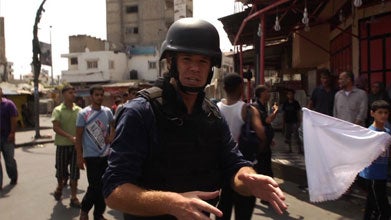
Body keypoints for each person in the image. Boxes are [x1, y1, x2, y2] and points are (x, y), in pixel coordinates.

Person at [102, 18, 287, 220]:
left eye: (202, 61)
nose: (195, 68)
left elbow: (234, 164)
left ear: (211, 68)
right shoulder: (140, 112)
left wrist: (247, 178)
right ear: (171, 62)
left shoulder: (212, 114)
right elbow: (114, 191)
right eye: (187, 59)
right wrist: (173, 203)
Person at [216, 73, 266, 220]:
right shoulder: (248, 109)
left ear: (224, 88)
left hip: (222, 167)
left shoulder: (215, 108)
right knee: (244, 211)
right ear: (240, 88)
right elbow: (262, 135)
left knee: (222, 208)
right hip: (245, 167)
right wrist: (258, 153)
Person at [76, 85, 115, 220]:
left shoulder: (108, 111)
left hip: (106, 154)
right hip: (91, 156)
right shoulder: (83, 114)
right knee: (94, 185)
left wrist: (112, 135)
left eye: (101, 95)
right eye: (96, 95)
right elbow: (78, 136)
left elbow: (113, 125)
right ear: (91, 96)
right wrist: (79, 156)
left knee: (103, 185)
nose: (99, 97)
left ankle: (98, 214)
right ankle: (84, 210)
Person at [358, 100, 391, 220]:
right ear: (372, 113)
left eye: (386, 112)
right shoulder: (370, 133)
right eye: (380, 112)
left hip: (381, 175)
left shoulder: (387, 133)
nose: (383, 115)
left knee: (372, 206)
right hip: (371, 177)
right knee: (383, 210)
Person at [51, 85, 82, 207]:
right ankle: (59, 187)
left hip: (76, 147)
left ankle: (73, 197)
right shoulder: (58, 110)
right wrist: (70, 137)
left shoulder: (79, 110)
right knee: (61, 170)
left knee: (75, 172)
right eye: (70, 92)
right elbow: (56, 127)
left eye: (74, 92)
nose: (73, 95)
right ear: (63, 94)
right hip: (62, 145)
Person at [253, 85, 278, 178]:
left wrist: (269, 138)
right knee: (262, 166)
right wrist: (275, 111)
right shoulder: (256, 106)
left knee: (266, 165)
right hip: (260, 144)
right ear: (261, 94)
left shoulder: (263, 106)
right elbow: (267, 120)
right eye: (267, 92)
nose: (269, 94)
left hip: (265, 142)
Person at [0, 87, 18, 189]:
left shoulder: (8, 104)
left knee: (9, 160)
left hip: (7, 137)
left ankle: (13, 177)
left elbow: (14, 119)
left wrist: (12, 133)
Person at [281, 88, 302, 153]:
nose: (290, 95)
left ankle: (299, 149)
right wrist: (283, 123)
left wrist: (299, 121)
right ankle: (289, 149)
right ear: (287, 95)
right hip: (287, 121)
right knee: (288, 135)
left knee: (296, 135)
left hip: (294, 121)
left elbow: (298, 112)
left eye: (291, 94)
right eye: (289, 94)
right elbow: (284, 113)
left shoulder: (296, 103)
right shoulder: (285, 103)